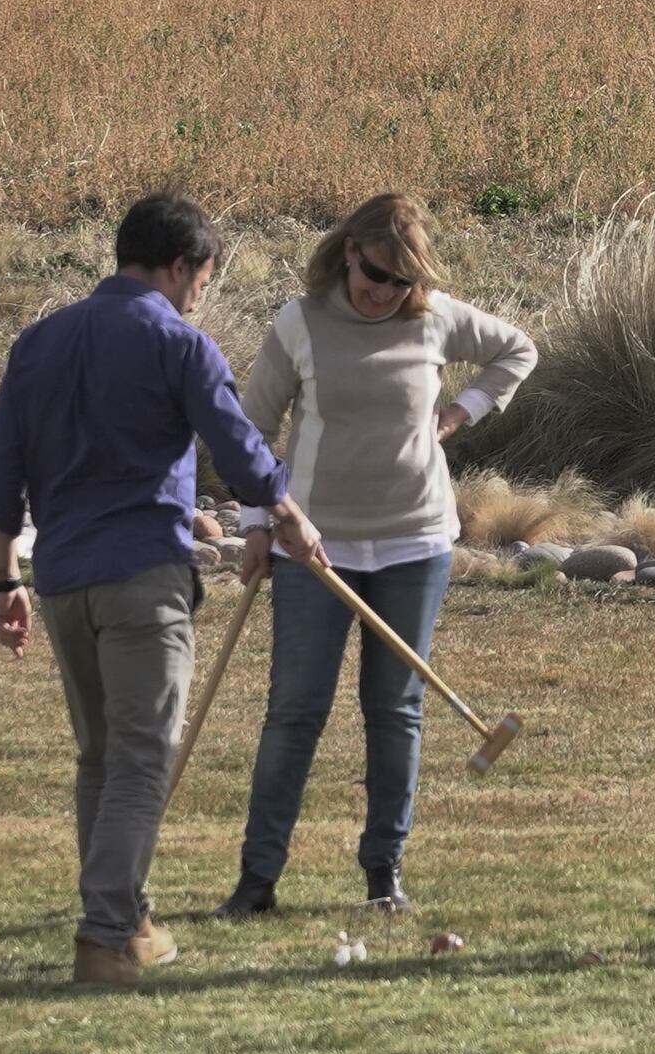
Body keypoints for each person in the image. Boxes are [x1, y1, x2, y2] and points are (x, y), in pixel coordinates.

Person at [0, 192, 322, 988]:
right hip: (142, 579)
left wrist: (4, 578)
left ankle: (129, 920)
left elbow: (0, 474)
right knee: (140, 760)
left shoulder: (38, 341)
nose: (201, 291)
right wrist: (291, 518)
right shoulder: (179, 342)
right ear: (180, 267)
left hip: (63, 581)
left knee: (101, 757)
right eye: (203, 277)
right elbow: (240, 452)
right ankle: (103, 936)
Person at [212, 193, 541, 922]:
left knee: (394, 710)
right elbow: (252, 426)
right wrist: (259, 522)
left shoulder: (436, 317)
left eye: (397, 280)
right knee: (294, 710)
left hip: (414, 540)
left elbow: (518, 349)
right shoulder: (299, 322)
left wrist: (461, 412)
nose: (381, 290)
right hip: (312, 546)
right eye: (372, 272)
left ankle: (383, 871)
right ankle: (256, 877)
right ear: (347, 252)